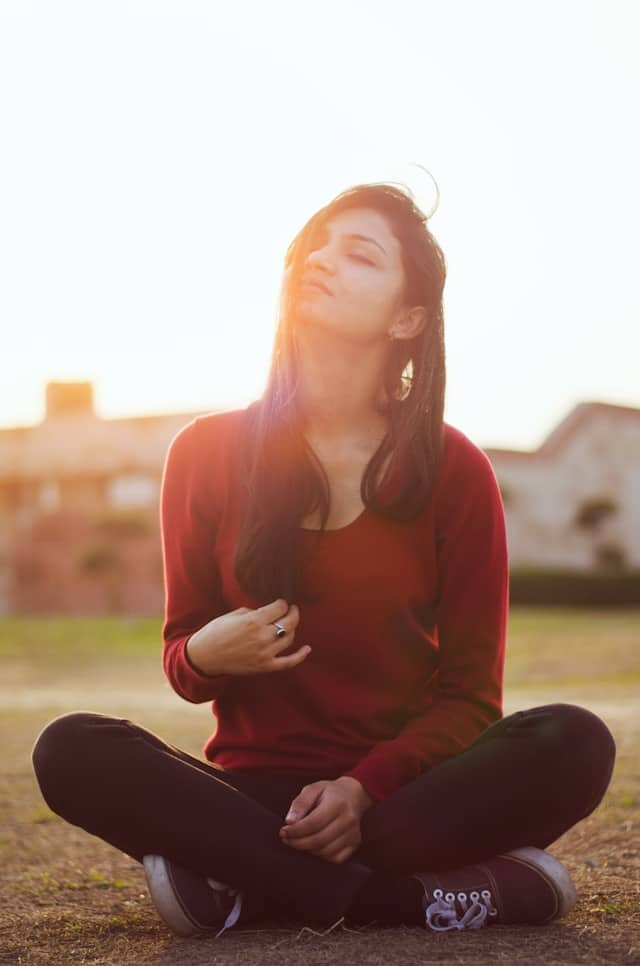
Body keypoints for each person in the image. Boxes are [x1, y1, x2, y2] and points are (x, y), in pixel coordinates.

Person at [31, 181, 616, 939]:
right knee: (71, 749)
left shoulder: (453, 467)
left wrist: (362, 789)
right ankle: (409, 899)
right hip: (246, 800)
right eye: (314, 246)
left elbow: (472, 699)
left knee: (574, 742)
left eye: (359, 254)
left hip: (401, 797)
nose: (322, 261)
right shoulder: (206, 453)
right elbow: (182, 656)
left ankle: (241, 885)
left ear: (408, 317)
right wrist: (207, 652)